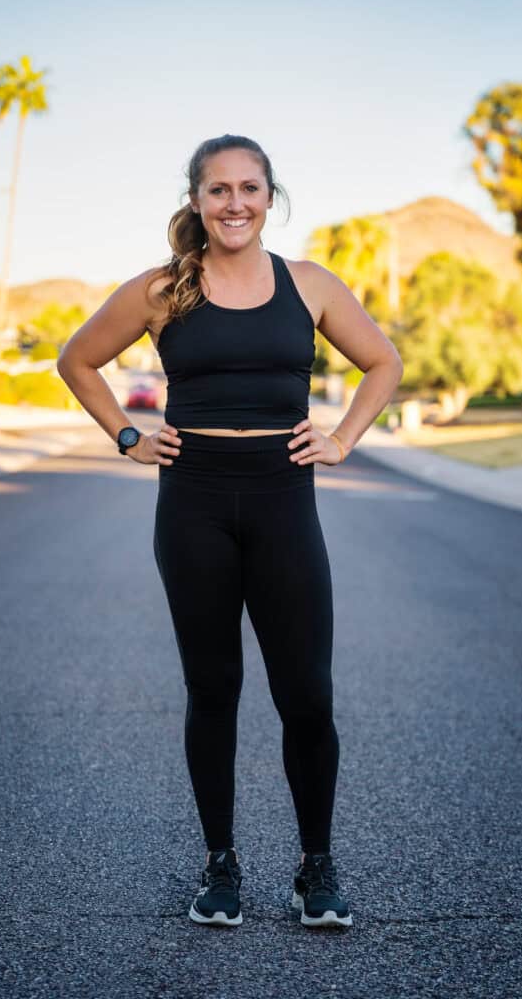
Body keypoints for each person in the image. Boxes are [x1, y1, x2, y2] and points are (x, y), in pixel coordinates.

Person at [57, 133, 403, 930]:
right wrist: (127, 437)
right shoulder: (160, 291)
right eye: (218, 190)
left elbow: (380, 362)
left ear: (270, 197)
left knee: (306, 695)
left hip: (285, 499)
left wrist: (343, 437)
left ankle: (314, 867)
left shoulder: (308, 284)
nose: (235, 202)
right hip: (194, 504)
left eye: (250, 187)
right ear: (195, 201)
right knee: (213, 690)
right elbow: (77, 360)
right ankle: (221, 864)